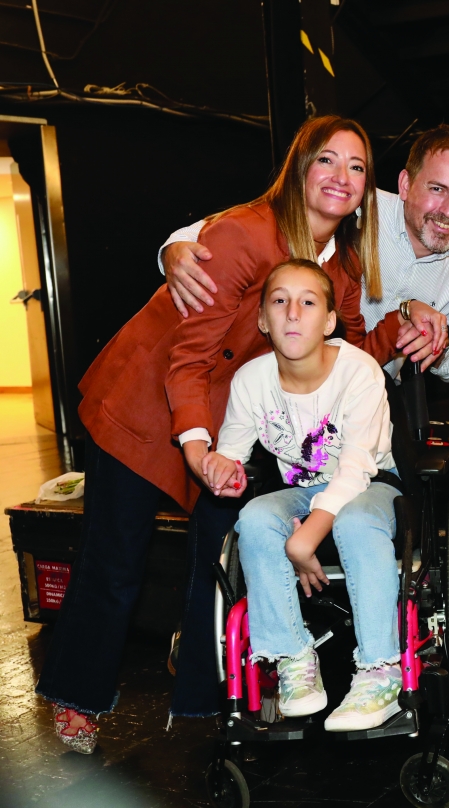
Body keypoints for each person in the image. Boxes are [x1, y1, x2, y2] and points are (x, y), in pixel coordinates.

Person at [36, 115, 400, 753]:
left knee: (219, 553)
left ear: (366, 188)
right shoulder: (240, 235)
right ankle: (79, 696)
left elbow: (342, 354)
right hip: (147, 404)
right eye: (327, 161)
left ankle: (205, 703)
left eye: (357, 167)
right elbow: (190, 359)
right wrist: (198, 448)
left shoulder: (341, 271)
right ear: (299, 168)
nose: (341, 177)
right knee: (115, 561)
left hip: (220, 426)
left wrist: (404, 326)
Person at [204, 259, 405, 732]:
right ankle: (293, 658)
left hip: (373, 482)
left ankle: (380, 671)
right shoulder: (252, 380)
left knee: (354, 519)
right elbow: (232, 455)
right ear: (262, 320)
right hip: (301, 491)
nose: (293, 312)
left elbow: (355, 469)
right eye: (279, 301)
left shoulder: (359, 372)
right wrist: (220, 467)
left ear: (329, 321)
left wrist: (304, 541)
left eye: (308, 302)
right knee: (254, 516)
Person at [160, 124, 449, 380]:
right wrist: (174, 248)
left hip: (370, 388)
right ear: (405, 184)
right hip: (285, 380)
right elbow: (247, 222)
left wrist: (439, 344)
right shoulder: (357, 204)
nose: (448, 210)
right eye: (437, 189)